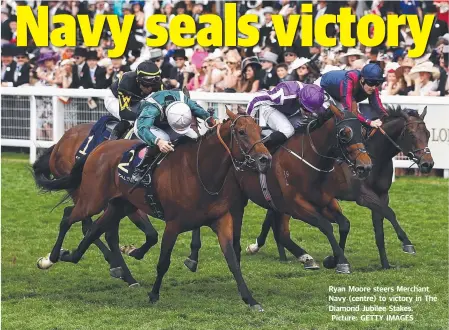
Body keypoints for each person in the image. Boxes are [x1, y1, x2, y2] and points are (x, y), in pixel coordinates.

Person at [246, 81, 326, 147]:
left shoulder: (315, 95)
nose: (308, 113)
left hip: (290, 110)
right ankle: (258, 148)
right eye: (306, 109)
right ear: (300, 98)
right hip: (270, 107)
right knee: (288, 130)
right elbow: (255, 98)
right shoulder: (286, 93)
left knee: (304, 128)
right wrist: (248, 121)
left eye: (310, 110)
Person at [134, 90, 215, 154]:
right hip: (146, 126)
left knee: (194, 136)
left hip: (166, 124)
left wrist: (210, 119)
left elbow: (197, 109)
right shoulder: (152, 108)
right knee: (165, 139)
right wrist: (158, 141)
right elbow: (142, 128)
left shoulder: (183, 99)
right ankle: (141, 167)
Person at [317, 63, 387, 128]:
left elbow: (377, 105)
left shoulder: (372, 86)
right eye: (371, 83)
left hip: (339, 96)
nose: (374, 87)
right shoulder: (349, 80)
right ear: (362, 79)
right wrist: (369, 122)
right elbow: (350, 111)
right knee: (325, 118)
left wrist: (385, 117)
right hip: (322, 89)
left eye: (377, 84)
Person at [105, 60, 162, 140]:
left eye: (153, 85)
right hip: (115, 99)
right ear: (138, 80)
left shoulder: (158, 83)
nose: (150, 88)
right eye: (146, 85)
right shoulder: (127, 80)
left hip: (137, 99)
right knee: (128, 120)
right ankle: (111, 142)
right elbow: (124, 113)